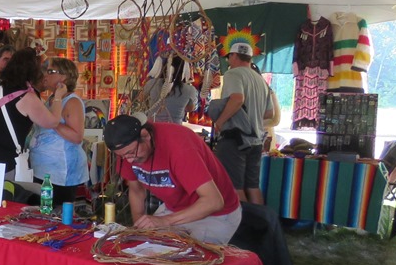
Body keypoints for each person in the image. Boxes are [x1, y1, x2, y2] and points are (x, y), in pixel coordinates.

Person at [103, 114, 241, 244]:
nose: (130, 160)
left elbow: (214, 202)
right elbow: (136, 191)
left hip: (215, 215)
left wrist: (165, 221)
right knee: (147, 250)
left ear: (145, 135)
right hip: (175, 210)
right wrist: (139, 225)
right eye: (123, 157)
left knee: (186, 259)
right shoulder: (127, 150)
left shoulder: (179, 147)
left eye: (131, 153)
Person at [0, 48, 65, 182]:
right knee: (2, 202)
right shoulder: (27, 96)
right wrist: (58, 96)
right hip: (1, 161)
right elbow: (52, 122)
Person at [212, 43, 273, 205]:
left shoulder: (233, 74)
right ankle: (260, 223)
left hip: (235, 139)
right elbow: (269, 113)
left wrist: (220, 121)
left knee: (234, 186)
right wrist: (252, 118)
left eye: (229, 57)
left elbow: (237, 99)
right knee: (252, 186)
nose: (228, 61)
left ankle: (244, 225)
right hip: (256, 140)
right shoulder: (261, 81)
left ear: (234, 56)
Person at [29, 57, 89, 206]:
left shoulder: (71, 101)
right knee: (42, 211)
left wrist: (51, 120)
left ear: (64, 76)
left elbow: (76, 137)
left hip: (61, 171)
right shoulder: (50, 99)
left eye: (50, 71)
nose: (45, 75)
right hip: (43, 169)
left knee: (55, 213)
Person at [143, 55, 197, 123]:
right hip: (175, 128)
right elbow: (190, 108)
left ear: (165, 67)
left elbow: (143, 99)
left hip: (152, 127)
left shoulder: (151, 83)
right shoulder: (190, 89)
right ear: (184, 71)